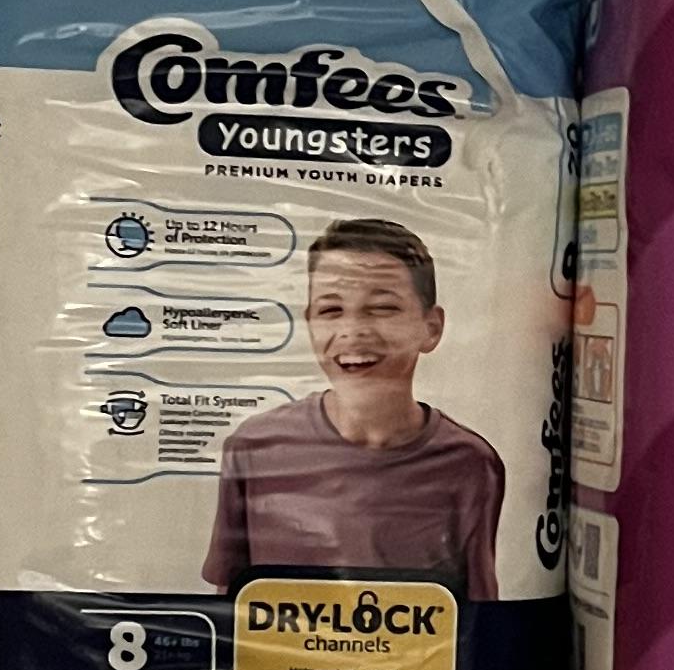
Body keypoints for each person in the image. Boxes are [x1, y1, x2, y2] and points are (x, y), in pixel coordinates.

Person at [204, 218, 503, 600]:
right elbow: (228, 601)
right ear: (310, 323)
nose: (353, 331)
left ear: (431, 327)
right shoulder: (255, 447)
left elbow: (480, 613)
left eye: (382, 308)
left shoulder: (470, 464)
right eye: (331, 310)